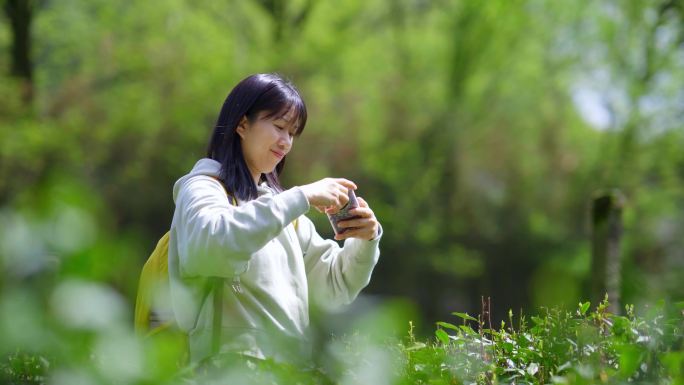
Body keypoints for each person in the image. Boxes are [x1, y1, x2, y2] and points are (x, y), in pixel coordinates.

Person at [167, 73, 382, 366]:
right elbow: (209, 246)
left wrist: (364, 239)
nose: (286, 142)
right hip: (228, 368)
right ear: (242, 124)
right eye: (279, 126)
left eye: (292, 133)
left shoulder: (285, 214)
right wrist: (301, 196)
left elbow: (335, 287)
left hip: (287, 371)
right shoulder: (203, 187)